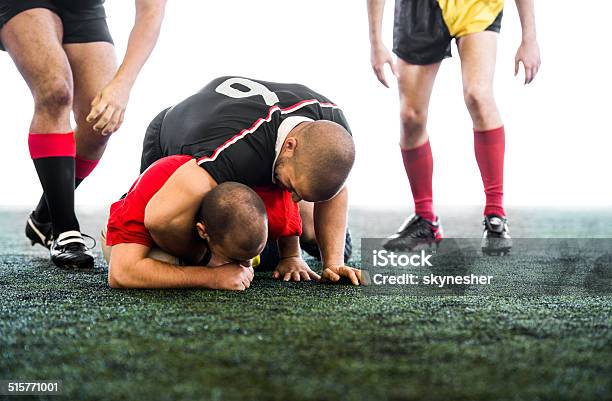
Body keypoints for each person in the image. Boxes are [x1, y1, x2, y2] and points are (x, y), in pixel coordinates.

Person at [141, 76, 363, 285]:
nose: (294, 199)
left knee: (313, 231)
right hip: (175, 135)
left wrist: (333, 262)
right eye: (294, 188)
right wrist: (209, 263)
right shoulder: (234, 151)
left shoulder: (333, 124)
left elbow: (337, 185)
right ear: (290, 146)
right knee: (159, 244)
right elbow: (160, 219)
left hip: (245, 135)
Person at [0, 0, 167, 268]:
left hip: (82, 5)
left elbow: (151, 12)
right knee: (55, 91)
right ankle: (66, 229)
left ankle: (44, 217)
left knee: (99, 119)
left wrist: (122, 86)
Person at [367, 0, 541, 254]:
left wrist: (530, 37)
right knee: (410, 116)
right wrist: (375, 41)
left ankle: (495, 216)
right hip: (418, 9)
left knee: (478, 96)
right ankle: (426, 219)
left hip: (476, 5)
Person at [103, 154, 304, 290]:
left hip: (249, 229)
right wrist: (211, 277)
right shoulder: (155, 191)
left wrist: (292, 257)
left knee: (309, 227)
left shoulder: (273, 207)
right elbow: (121, 274)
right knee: (161, 262)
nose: (246, 266)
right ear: (202, 232)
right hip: (152, 215)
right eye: (236, 259)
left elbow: (289, 218)